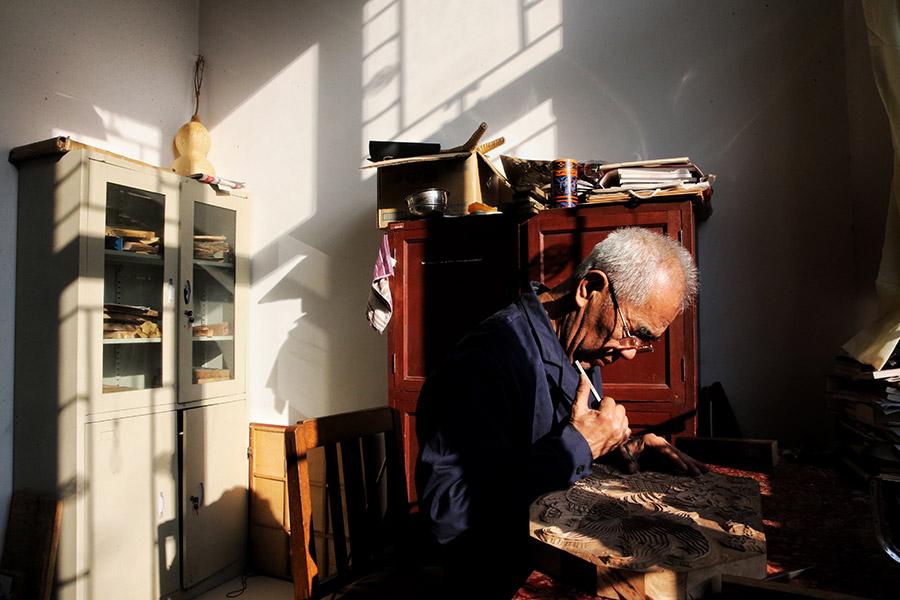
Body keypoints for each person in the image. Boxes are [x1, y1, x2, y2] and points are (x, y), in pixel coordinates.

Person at [414, 227, 706, 597]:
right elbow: (448, 511)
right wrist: (577, 447)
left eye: (645, 342)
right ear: (589, 290)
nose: (632, 352)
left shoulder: (580, 348)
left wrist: (619, 446)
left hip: (548, 551)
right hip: (490, 576)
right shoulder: (490, 357)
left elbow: (544, 452)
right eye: (633, 331)